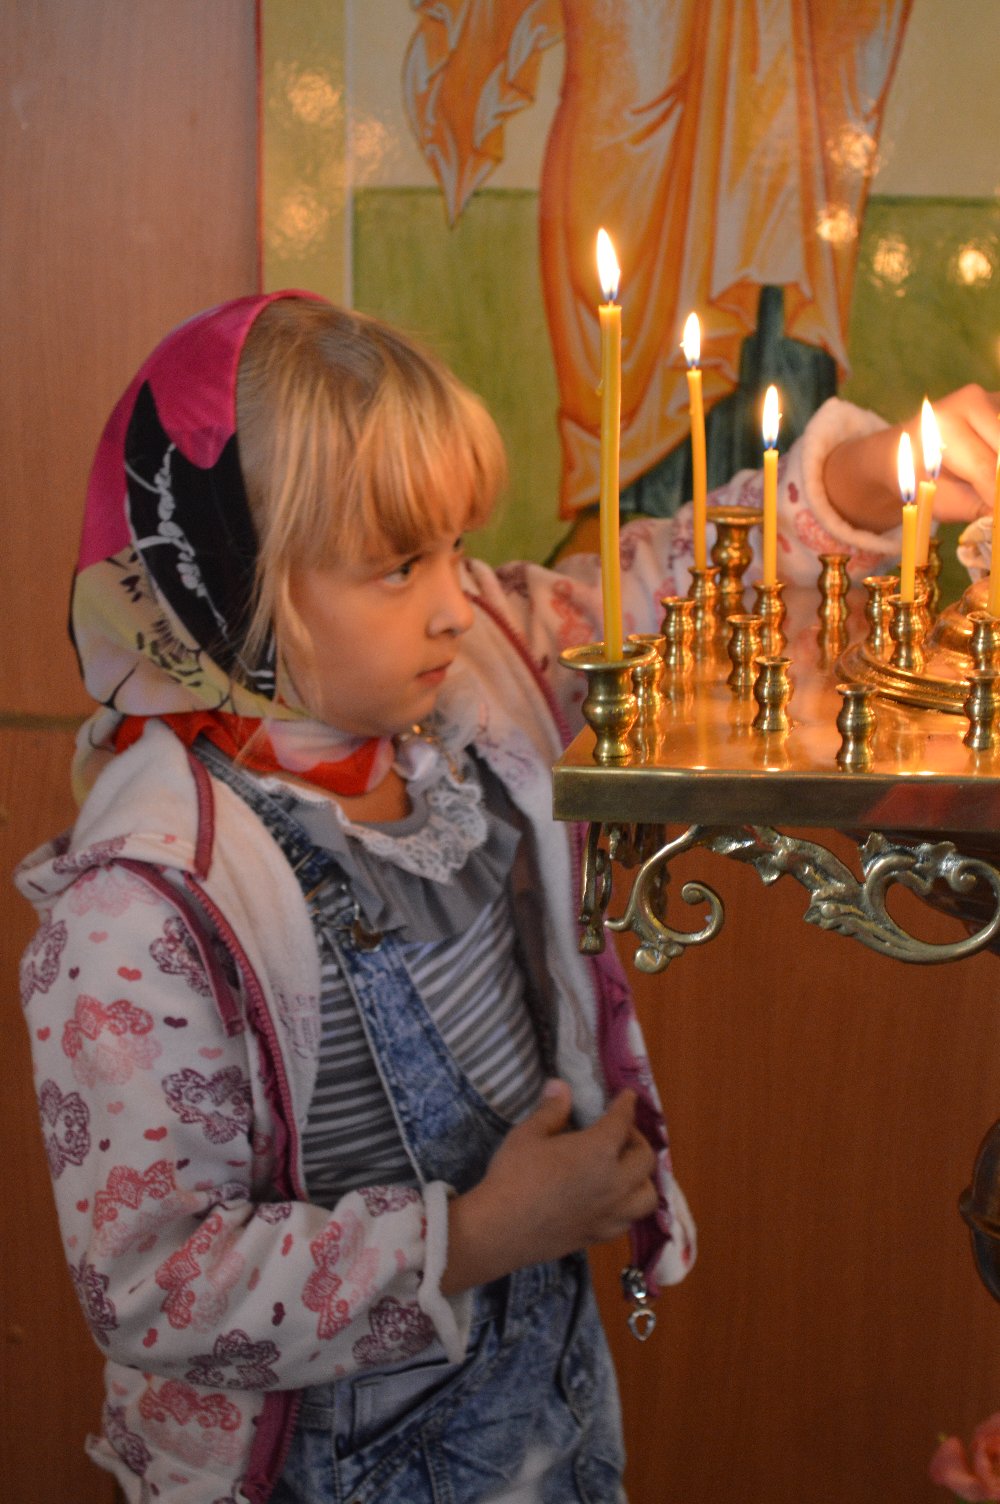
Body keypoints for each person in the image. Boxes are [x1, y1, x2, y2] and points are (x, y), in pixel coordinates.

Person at [15, 291, 998, 1504]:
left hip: (546, 1409)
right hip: (320, 1469)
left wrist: (861, 480)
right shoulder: (143, 908)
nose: (450, 598)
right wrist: (479, 1234)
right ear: (231, 584)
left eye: (450, 548)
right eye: (397, 566)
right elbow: (157, 1287)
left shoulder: (477, 660)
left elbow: (675, 586)